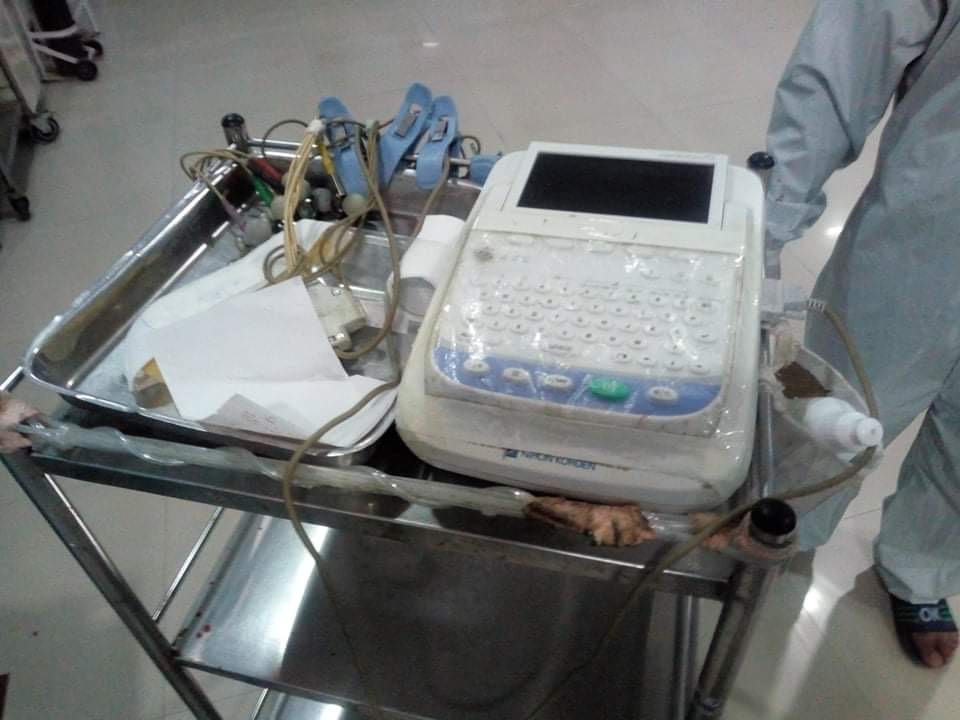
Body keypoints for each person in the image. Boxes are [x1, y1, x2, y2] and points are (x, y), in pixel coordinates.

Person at [765, 0, 960, 668]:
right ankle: (781, 524)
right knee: (834, 403)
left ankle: (923, 564)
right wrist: (774, 210)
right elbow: (850, 51)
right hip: (930, 225)